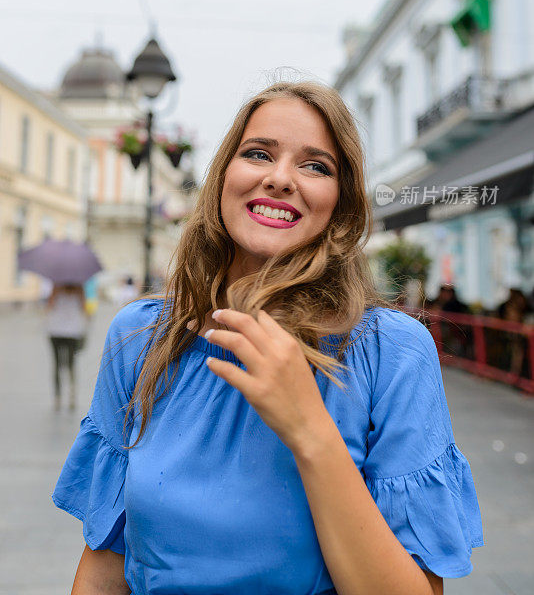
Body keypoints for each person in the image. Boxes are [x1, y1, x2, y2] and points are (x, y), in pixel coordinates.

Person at [52, 82, 483, 595]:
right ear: (222, 179)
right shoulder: (142, 336)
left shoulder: (391, 352)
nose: (279, 178)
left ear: (341, 207)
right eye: (258, 154)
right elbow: (104, 565)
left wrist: (308, 429)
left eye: (315, 166)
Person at [44, 282, 87, 410]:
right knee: (71, 363)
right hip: (72, 331)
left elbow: (49, 306)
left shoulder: (56, 287)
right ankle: (71, 395)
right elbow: (84, 309)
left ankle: (58, 397)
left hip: (56, 330)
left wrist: (55, 292)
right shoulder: (79, 289)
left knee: (57, 364)